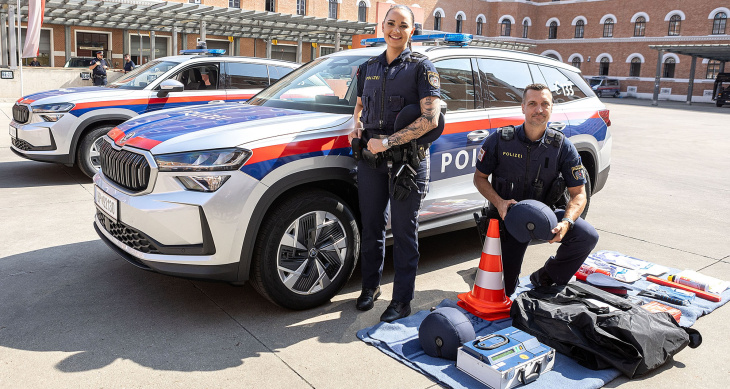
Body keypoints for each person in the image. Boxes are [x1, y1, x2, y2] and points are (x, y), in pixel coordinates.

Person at [348, 5, 442, 322]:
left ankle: (402, 300)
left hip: (407, 162)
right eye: (391, 24)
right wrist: (356, 124)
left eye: (403, 25)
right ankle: (370, 288)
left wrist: (388, 142)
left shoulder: (421, 67)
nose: (396, 30)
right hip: (372, 158)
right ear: (382, 26)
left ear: (412, 30)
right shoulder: (368, 67)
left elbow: (431, 119)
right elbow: (360, 104)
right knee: (372, 226)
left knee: (404, 232)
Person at [473, 83, 599, 297]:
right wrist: (499, 202)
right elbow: (480, 178)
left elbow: (579, 193)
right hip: (508, 219)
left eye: (544, 104)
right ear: (523, 107)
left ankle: (547, 277)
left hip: (544, 217)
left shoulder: (562, 146)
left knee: (587, 236)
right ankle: (490, 270)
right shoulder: (500, 140)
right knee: (503, 292)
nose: (538, 109)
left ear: (551, 108)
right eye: (532, 104)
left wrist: (566, 222)